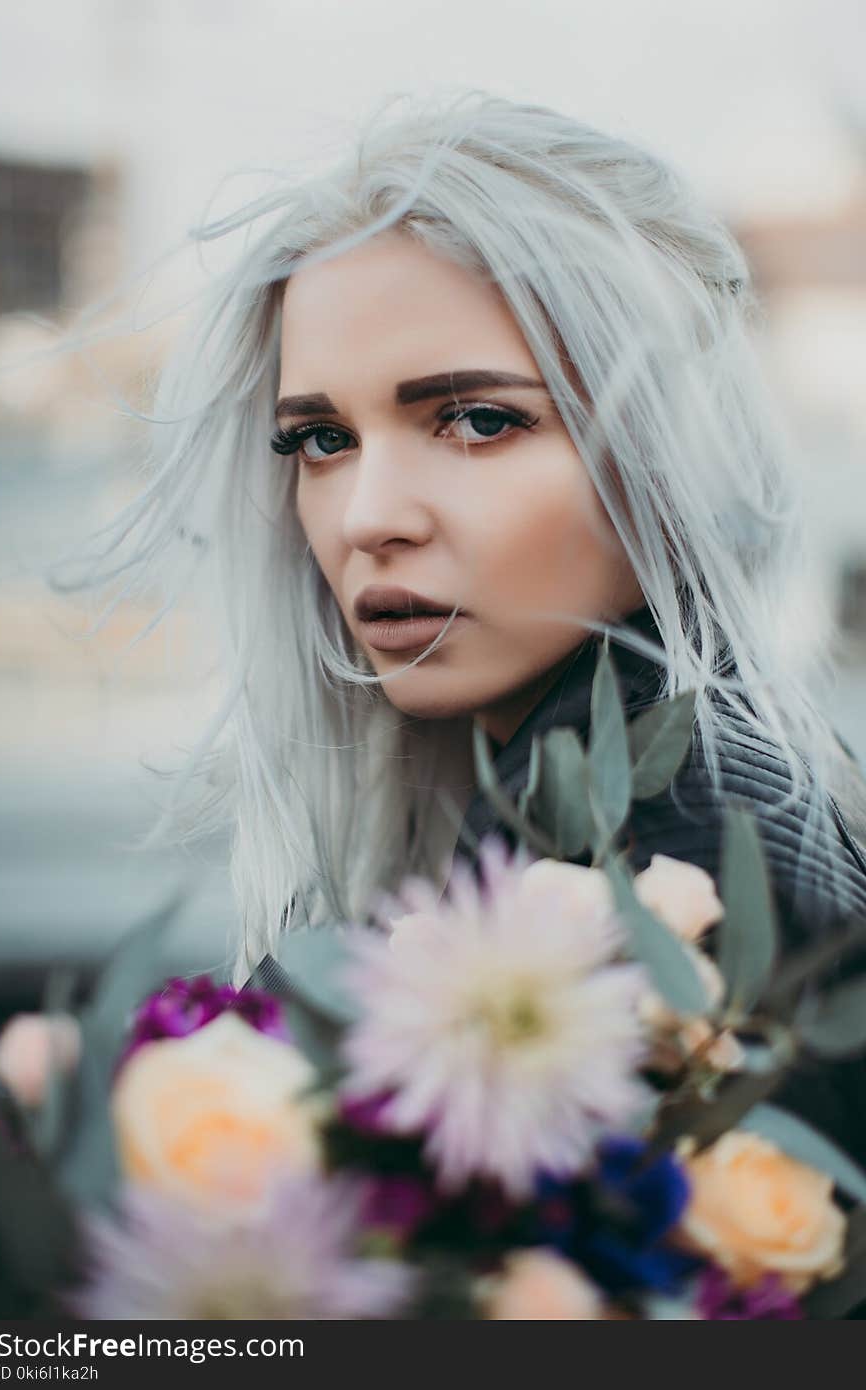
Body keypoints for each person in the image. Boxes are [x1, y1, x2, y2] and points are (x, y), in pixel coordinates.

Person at [61, 89, 866, 1160]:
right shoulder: (563, 804)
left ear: (669, 455)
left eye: (480, 420)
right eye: (318, 439)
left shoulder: (701, 874)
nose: (368, 518)